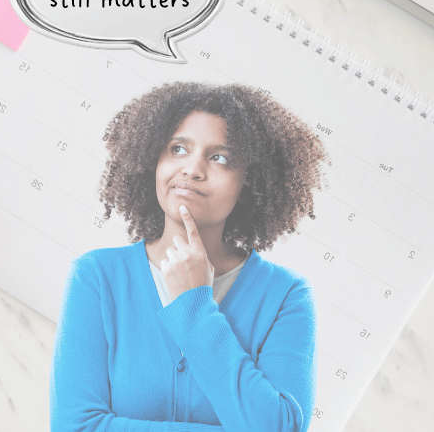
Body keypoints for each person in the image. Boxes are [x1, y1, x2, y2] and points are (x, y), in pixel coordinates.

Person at [50, 82, 328, 432]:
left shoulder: (286, 297)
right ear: (153, 160)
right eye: (178, 149)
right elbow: (74, 427)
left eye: (220, 158)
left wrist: (194, 306)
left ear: (250, 182)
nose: (193, 169)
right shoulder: (97, 277)